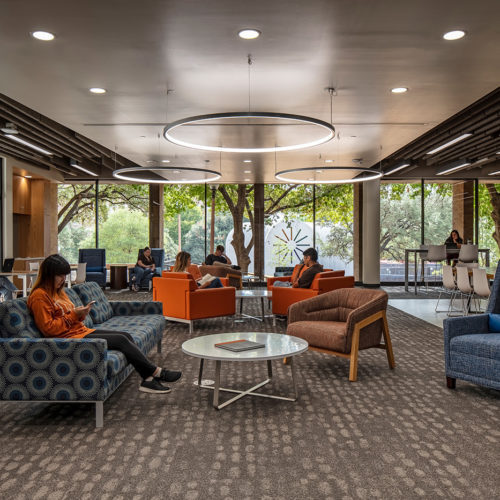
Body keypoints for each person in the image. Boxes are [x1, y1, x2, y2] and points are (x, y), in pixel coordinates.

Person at [27, 254, 181, 394]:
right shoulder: (39, 296)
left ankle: (148, 379)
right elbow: (49, 329)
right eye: (59, 276)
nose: (62, 280)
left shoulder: (58, 292)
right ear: (48, 275)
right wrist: (74, 315)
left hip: (79, 332)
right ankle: (156, 373)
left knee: (125, 335)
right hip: (67, 340)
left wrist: (80, 314)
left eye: (64, 276)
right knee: (121, 340)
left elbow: (69, 316)